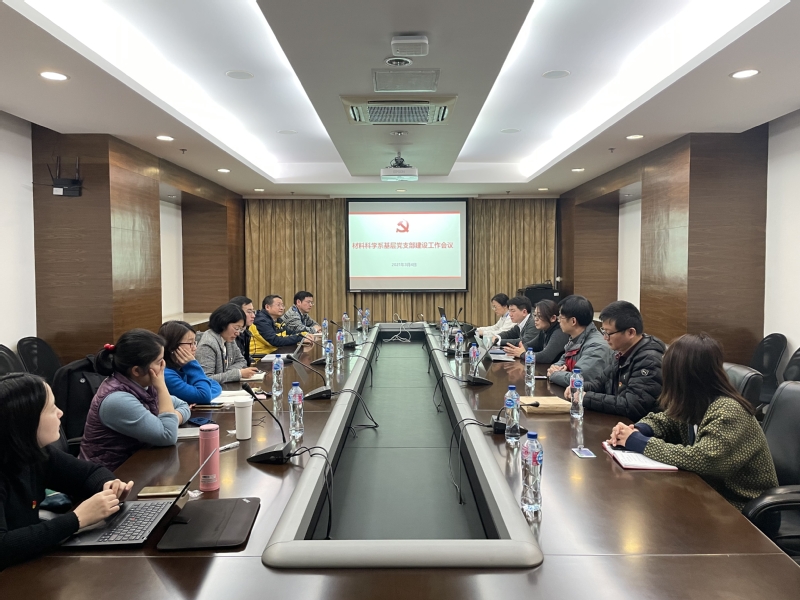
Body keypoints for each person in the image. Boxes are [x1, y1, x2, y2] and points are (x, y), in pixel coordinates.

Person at [609, 333, 778, 511]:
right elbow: (666, 420)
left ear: (683, 377)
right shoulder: (695, 401)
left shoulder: (728, 410)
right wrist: (639, 429)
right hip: (707, 494)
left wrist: (639, 442)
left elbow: (703, 460)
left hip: (740, 505)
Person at [0, 373, 134, 570]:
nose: (60, 413)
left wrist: (107, 486)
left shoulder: (34, 452)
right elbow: (3, 546)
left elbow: (89, 473)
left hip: (27, 565)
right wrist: (77, 519)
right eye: (51, 408)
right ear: (26, 422)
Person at [79, 329, 192, 471]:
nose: (164, 366)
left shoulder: (143, 385)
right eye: (159, 362)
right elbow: (168, 436)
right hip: (111, 474)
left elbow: (183, 405)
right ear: (137, 371)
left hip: (139, 464)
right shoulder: (117, 399)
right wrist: (162, 387)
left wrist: (172, 418)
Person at [569, 301, 665, 420]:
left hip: (637, 426)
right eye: (603, 332)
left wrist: (586, 397)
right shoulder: (620, 352)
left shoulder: (650, 360)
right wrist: (578, 388)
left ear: (631, 332)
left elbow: (633, 405)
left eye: (609, 333)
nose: (605, 338)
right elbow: (600, 383)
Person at [547, 295, 612, 388]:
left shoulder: (597, 346)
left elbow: (580, 378)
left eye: (561, 317)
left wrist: (554, 374)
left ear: (573, 321)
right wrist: (555, 369)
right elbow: (561, 361)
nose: (559, 321)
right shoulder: (575, 339)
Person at [159, 320, 222, 405]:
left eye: (194, 343)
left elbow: (215, 385)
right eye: (190, 343)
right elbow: (204, 395)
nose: (195, 348)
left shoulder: (182, 367)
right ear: (173, 346)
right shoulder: (166, 375)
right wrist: (192, 365)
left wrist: (199, 397)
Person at [195, 303, 260, 383]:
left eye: (240, 329)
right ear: (223, 323)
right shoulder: (208, 344)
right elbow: (206, 379)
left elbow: (242, 361)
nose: (238, 333)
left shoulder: (228, 338)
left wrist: (227, 373)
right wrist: (238, 373)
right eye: (236, 328)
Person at [502, 299, 569, 363]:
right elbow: (530, 345)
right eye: (535, 315)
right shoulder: (544, 330)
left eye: (539, 316)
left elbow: (545, 357)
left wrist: (522, 354)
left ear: (553, 318)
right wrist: (522, 349)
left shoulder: (559, 332)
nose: (536, 319)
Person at [230, 295, 256, 366]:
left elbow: (244, 358)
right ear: (237, 312)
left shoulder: (245, 332)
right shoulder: (230, 335)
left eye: (253, 312)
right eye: (249, 312)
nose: (253, 316)